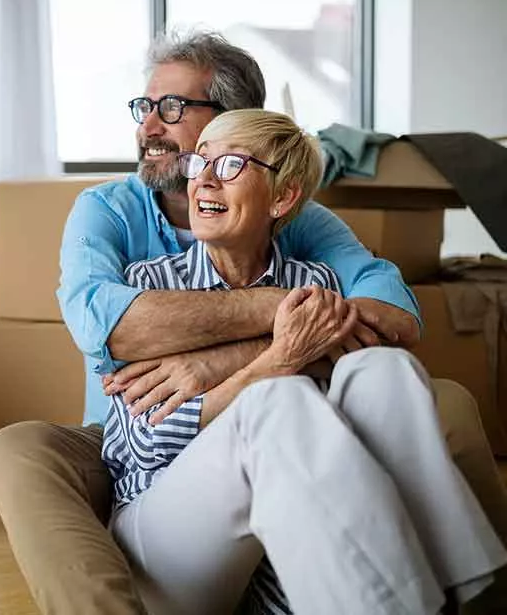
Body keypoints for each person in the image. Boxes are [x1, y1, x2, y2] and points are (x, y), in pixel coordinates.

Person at [0, 30, 507, 615]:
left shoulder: (307, 228)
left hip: (294, 438)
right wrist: (284, 336)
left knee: (393, 377)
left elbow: (395, 318)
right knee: (19, 448)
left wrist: (227, 356)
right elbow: (107, 330)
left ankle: (471, 595)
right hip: (131, 453)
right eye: (145, 107)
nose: (150, 126)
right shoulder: (113, 218)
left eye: (173, 109)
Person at [102, 108, 505, 614]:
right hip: (166, 536)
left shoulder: (320, 285)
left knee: (384, 369)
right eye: (199, 162)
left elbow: (385, 339)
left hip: (296, 541)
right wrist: (277, 361)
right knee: (282, 396)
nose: (203, 180)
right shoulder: (148, 287)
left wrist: (221, 366)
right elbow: (144, 443)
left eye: (229, 165)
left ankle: (466, 596)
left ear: (284, 197)